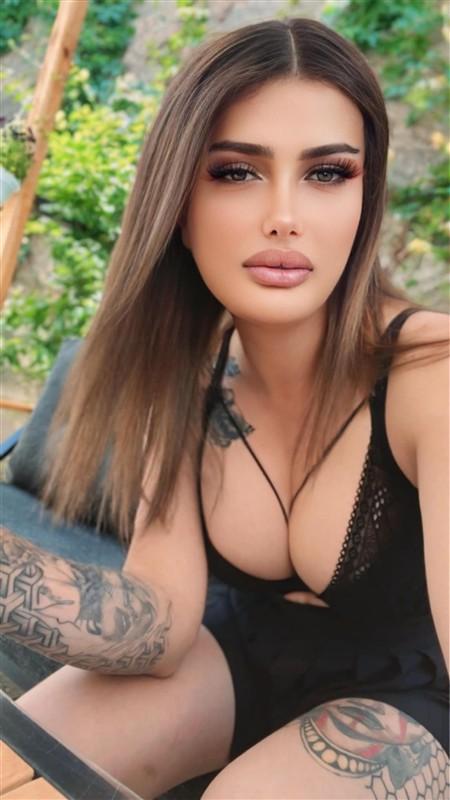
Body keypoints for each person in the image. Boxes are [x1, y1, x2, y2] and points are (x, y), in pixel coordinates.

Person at [1, 15, 449, 800]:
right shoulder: (184, 370)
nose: (284, 214)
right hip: (232, 653)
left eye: (328, 173)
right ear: (178, 200)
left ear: (365, 198)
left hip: (414, 699)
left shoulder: (430, 375)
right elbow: (161, 622)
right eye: (237, 172)